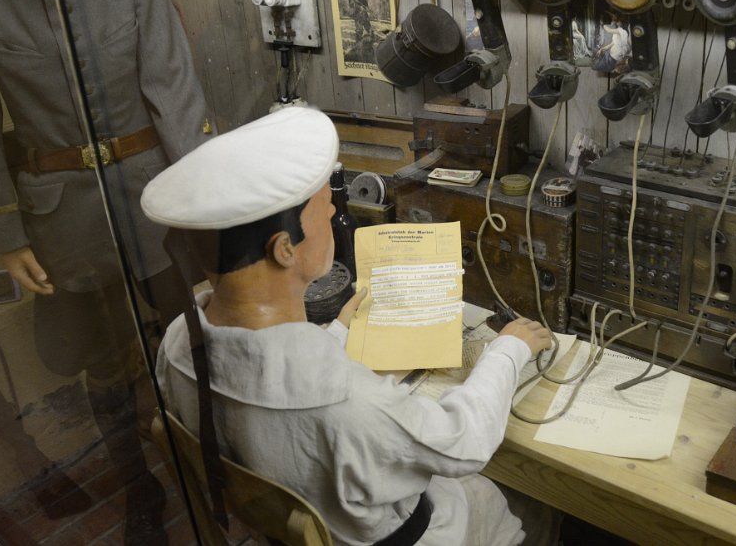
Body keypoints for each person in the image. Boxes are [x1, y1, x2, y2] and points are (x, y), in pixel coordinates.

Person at [146, 107, 559, 546]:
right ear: (285, 249)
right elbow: (464, 443)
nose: (333, 213)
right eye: (324, 210)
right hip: (430, 533)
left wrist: (338, 332)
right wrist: (508, 349)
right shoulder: (346, 402)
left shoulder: (176, 346)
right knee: (540, 507)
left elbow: (261, 383)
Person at [0, 0, 213, 540]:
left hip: (154, 203)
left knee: (194, 342)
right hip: (64, 220)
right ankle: (139, 490)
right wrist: (6, 233)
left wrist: (204, 209)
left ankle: (212, 473)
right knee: (103, 367)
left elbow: (176, 98)